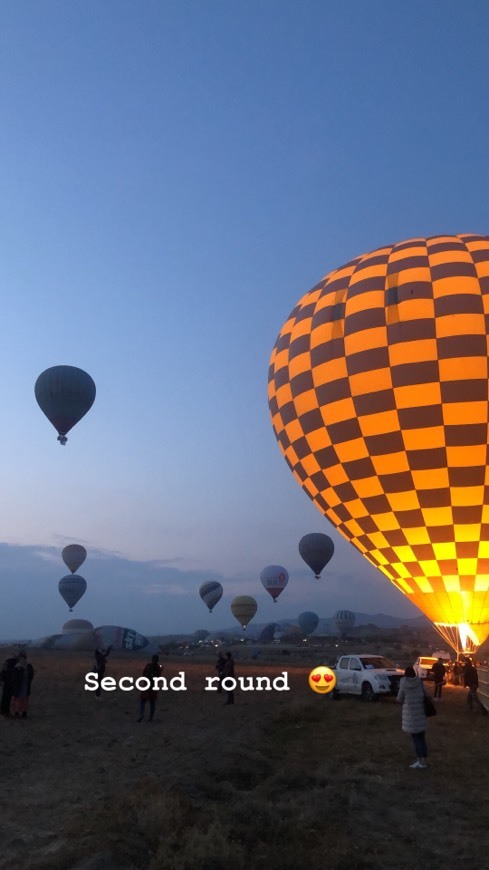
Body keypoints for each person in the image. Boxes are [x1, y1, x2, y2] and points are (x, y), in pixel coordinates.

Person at [397, 665, 428, 768]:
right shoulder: (419, 681)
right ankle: (424, 759)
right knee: (421, 738)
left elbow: (400, 698)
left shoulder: (404, 683)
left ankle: (420, 761)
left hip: (410, 714)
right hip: (421, 712)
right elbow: (426, 694)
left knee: (416, 739)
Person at [137, 654, 162, 722]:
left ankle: (141, 714)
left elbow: (143, 673)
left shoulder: (148, 665)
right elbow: (159, 676)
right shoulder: (158, 668)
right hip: (153, 687)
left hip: (146, 686)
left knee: (142, 701)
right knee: (152, 703)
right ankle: (150, 718)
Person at [11, 653, 34, 718]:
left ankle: (24, 712)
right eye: (21, 659)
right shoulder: (17, 667)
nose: (22, 660)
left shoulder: (28, 666)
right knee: (18, 699)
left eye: (23, 659)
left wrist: (29, 681)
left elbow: (31, 675)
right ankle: (16, 712)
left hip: (26, 685)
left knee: (25, 699)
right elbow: (14, 677)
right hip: (18, 686)